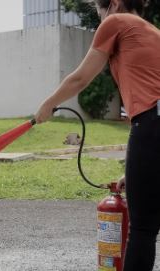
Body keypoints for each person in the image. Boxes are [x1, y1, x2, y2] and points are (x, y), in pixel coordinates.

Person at [34, 0, 160, 270]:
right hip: (155, 125)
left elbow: (81, 78)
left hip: (151, 123)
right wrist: (135, 172)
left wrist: (49, 104)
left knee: (144, 229)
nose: (100, 19)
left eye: (99, 13)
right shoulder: (153, 33)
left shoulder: (115, 22)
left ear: (113, 4)